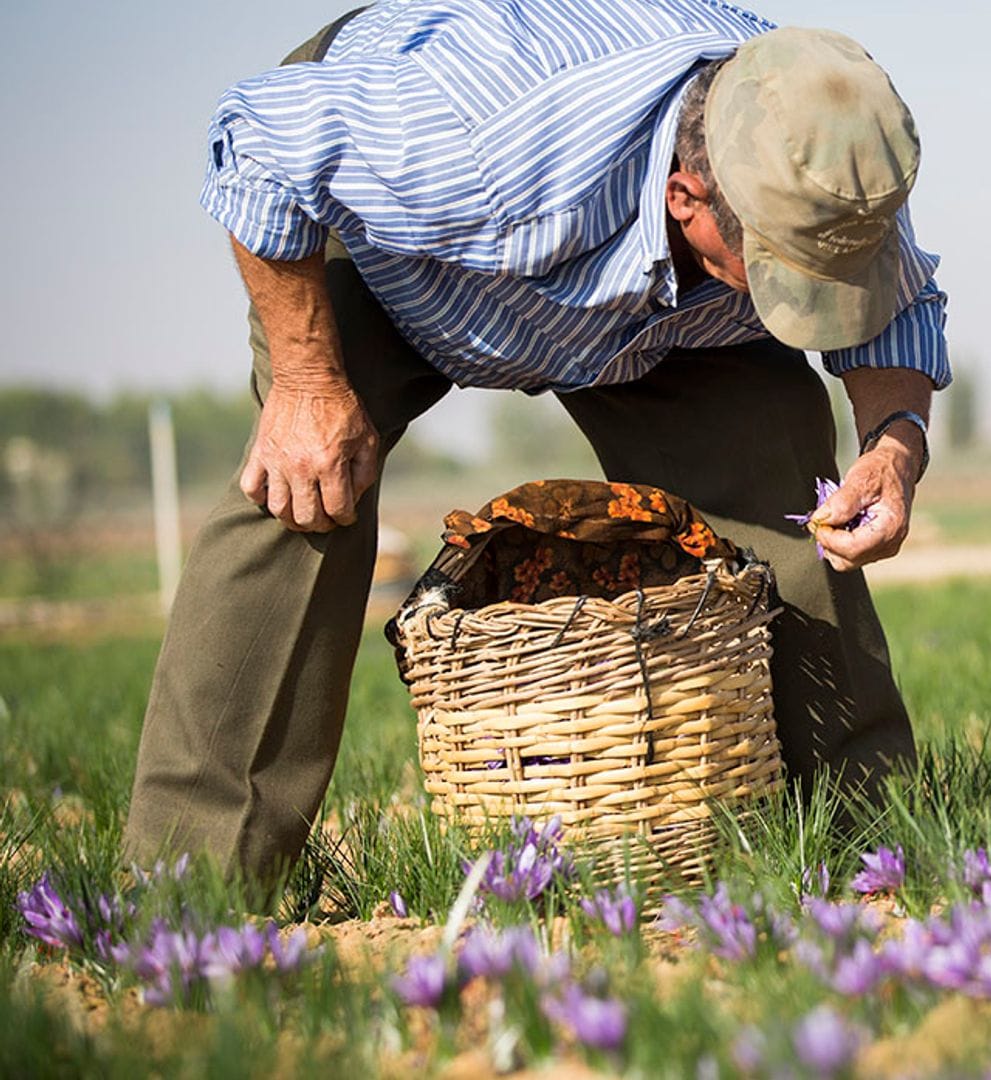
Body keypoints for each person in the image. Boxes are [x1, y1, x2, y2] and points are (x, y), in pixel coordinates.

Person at [122, 0, 948, 885]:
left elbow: (893, 303)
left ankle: (869, 847)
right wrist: (307, 384)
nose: (815, 300)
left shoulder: (822, 150)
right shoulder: (478, 140)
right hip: (412, 258)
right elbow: (260, 138)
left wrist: (895, 444)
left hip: (652, 313)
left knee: (779, 487)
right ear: (689, 199)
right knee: (307, 488)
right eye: (790, 278)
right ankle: (191, 886)